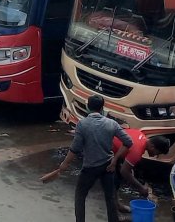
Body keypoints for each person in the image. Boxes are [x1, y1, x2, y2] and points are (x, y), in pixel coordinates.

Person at [41, 94, 133, 222]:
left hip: (90, 168)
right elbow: (128, 142)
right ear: (102, 108)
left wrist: (65, 164)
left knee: (80, 196)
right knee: (110, 198)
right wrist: (115, 160)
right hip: (108, 166)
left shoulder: (82, 124)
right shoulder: (112, 124)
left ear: (87, 107)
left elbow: (75, 148)